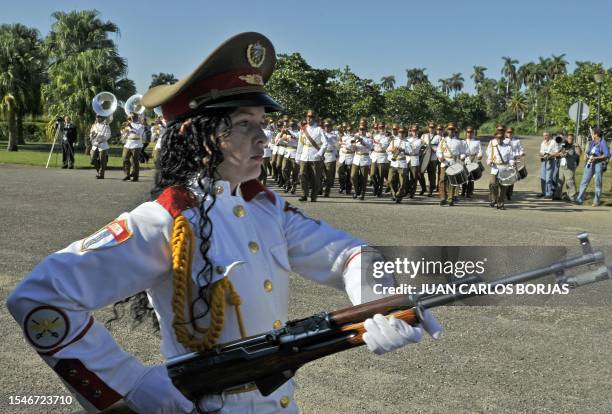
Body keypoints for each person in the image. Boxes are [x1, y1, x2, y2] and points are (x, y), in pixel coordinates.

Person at [7, 33, 442, 414]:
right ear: (197, 137)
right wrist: (133, 385)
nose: (262, 138)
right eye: (244, 125)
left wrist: (377, 300)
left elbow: (350, 254)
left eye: (263, 124)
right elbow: (40, 296)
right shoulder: (167, 219)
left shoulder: (266, 207)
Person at [297, 110, 327, 202]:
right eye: (308, 117)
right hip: (304, 156)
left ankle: (313, 196)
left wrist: (319, 153)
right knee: (302, 175)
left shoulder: (319, 129)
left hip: (315, 157)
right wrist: (298, 156)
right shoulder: (303, 129)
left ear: (314, 119)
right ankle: (304, 194)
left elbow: (325, 143)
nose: (309, 119)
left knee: (315, 177)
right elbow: (300, 143)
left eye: (311, 117)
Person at [575, 128, 610, 206]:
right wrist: (587, 155)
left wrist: (596, 158)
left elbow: (607, 155)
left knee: (597, 182)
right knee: (584, 181)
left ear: (596, 134)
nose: (593, 135)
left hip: (598, 164)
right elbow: (589, 151)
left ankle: (596, 201)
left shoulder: (603, 142)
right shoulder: (593, 142)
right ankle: (579, 199)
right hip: (590, 162)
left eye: (594, 133)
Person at [436, 123, 465, 206]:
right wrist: (440, 157)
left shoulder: (459, 142)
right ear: (447, 130)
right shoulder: (443, 140)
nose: (451, 131)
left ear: (454, 130)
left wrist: (462, 156)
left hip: (453, 162)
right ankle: (442, 198)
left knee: (453, 181)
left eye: (452, 129)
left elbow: (463, 152)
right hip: (444, 162)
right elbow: (438, 151)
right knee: (442, 180)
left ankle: (450, 198)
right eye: (449, 129)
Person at [486, 132, 515, 210]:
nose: (499, 139)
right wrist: (489, 162)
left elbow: (511, 158)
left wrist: (512, 163)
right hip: (495, 168)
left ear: (503, 138)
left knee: (503, 187)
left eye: (500, 138)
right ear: (496, 138)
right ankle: (493, 199)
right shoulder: (493, 147)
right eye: (497, 138)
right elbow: (489, 157)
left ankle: (501, 203)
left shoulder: (508, 147)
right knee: (492, 184)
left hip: (504, 168)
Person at [554, 134, 581, 202]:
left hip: (570, 167)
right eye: (569, 138)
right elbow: (557, 153)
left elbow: (579, 153)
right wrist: (560, 154)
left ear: (573, 139)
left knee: (570, 182)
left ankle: (572, 197)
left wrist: (577, 147)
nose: (570, 140)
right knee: (560, 181)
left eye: (571, 139)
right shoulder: (564, 145)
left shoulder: (574, 146)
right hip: (562, 166)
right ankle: (557, 196)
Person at [350, 120, 373, 200]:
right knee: (353, 176)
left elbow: (370, 147)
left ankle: (362, 194)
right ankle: (356, 191)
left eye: (363, 129)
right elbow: (351, 146)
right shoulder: (355, 136)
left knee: (364, 178)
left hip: (365, 159)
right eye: (360, 129)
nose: (361, 131)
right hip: (356, 158)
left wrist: (362, 141)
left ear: (366, 130)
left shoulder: (368, 137)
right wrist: (353, 145)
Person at [387, 126, 408, 203]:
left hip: (402, 163)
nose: (401, 134)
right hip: (394, 163)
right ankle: (394, 194)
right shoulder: (394, 141)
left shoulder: (407, 142)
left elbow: (411, 151)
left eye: (403, 132)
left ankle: (399, 195)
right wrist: (391, 150)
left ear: (405, 133)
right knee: (390, 180)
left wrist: (402, 150)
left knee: (402, 183)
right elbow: (387, 150)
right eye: (400, 132)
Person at [121, 115, 145, 182]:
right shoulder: (128, 124)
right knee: (125, 159)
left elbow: (139, 133)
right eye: (131, 117)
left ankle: (135, 177)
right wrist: (124, 132)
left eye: (133, 117)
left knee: (135, 161)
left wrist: (131, 127)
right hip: (128, 144)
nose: (132, 118)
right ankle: (127, 175)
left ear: (137, 118)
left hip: (136, 145)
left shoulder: (140, 125)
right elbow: (124, 135)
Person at [461, 127, 482, 198]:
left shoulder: (477, 142)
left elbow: (480, 151)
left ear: (473, 133)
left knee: (471, 178)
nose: (469, 134)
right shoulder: (463, 142)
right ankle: (463, 191)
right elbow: (461, 151)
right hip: (465, 160)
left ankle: (469, 192)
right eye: (468, 132)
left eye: (471, 132)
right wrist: (462, 156)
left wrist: (479, 155)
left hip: (473, 160)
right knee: (464, 177)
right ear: (466, 133)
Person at [538, 131, 560, 198]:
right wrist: (543, 154)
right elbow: (540, 152)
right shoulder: (543, 142)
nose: (545, 137)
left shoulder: (553, 142)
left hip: (551, 161)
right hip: (543, 161)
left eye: (546, 135)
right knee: (543, 177)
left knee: (548, 178)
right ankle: (544, 192)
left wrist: (550, 155)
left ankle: (549, 193)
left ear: (549, 135)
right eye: (544, 135)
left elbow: (557, 152)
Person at [370, 123, 390, 197]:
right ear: (378, 128)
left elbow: (384, 147)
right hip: (374, 156)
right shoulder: (375, 136)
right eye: (380, 128)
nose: (381, 129)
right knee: (372, 174)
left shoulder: (387, 138)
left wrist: (378, 142)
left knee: (381, 176)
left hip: (382, 157)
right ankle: (376, 186)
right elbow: (372, 145)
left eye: (382, 127)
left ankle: (380, 190)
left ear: (385, 128)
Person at [420, 122, 440, 196]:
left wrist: (433, 149)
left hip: (433, 159)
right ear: (428, 128)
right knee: (420, 173)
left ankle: (430, 190)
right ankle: (423, 187)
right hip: (425, 157)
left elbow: (440, 148)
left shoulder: (438, 137)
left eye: (433, 128)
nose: (431, 129)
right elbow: (420, 146)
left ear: (435, 128)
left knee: (431, 175)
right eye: (430, 127)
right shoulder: (424, 136)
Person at [505, 127, 524, 200]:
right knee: (505, 177)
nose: (509, 133)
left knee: (512, 178)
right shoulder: (504, 141)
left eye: (510, 132)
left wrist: (521, 153)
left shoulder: (517, 141)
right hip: (505, 161)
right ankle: (504, 192)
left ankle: (509, 194)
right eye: (508, 132)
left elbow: (520, 149)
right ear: (506, 133)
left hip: (513, 160)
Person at [89, 115, 111, 179]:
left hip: (103, 145)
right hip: (95, 144)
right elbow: (91, 134)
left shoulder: (106, 125)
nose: (98, 118)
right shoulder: (94, 125)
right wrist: (92, 135)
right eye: (97, 117)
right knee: (93, 159)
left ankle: (101, 174)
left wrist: (102, 139)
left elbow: (108, 135)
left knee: (102, 161)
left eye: (99, 117)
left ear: (101, 118)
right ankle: (99, 171)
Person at [337, 124, 354, 194]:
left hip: (350, 156)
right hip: (343, 156)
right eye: (347, 130)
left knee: (349, 174)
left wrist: (349, 146)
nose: (348, 131)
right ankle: (341, 186)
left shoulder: (354, 138)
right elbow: (339, 145)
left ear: (352, 130)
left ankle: (348, 188)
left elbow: (354, 147)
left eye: (350, 130)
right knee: (339, 172)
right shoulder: (343, 137)